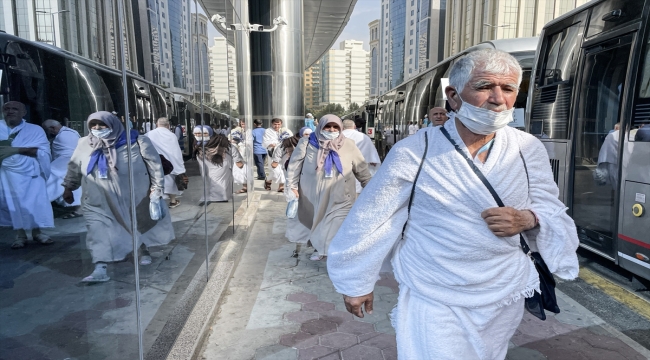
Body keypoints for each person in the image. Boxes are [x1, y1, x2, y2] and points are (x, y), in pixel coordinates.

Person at [327, 49, 580, 359]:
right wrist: (356, 280)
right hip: (434, 291)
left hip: (502, 291)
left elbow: (549, 205)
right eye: (485, 86)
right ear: (454, 95)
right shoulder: (414, 151)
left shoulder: (528, 148)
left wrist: (528, 218)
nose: (498, 98)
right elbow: (374, 219)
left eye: (509, 88)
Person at [62, 111, 175, 282]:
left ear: (113, 124)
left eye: (102, 125)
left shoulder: (138, 141)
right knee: (97, 230)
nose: (97, 128)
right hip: (96, 198)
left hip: (133, 196)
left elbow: (155, 167)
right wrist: (69, 187)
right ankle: (100, 267)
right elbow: (74, 166)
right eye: (93, 125)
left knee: (134, 225)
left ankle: (142, 250)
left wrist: (156, 189)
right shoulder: (84, 143)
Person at [286, 115, 372, 261]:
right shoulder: (307, 143)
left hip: (341, 194)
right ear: (321, 127)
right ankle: (321, 247)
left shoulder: (349, 144)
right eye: (328, 127)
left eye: (335, 127)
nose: (331, 130)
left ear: (340, 128)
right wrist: (292, 186)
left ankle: (327, 252)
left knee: (336, 222)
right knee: (317, 222)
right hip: (312, 194)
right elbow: (294, 167)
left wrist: (371, 187)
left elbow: (362, 169)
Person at [1, 101, 55, 248]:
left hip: (31, 174)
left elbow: (43, 152)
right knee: (13, 204)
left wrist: (16, 150)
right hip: (6, 174)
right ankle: (20, 236)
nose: (10, 111)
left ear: (23, 112)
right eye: (7, 109)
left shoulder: (35, 130)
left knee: (35, 203)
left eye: (14, 109)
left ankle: (38, 233)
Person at [193, 125, 243, 204]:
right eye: (197, 134)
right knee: (209, 181)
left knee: (218, 180)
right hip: (206, 164)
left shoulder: (220, 140)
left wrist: (238, 160)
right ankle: (214, 197)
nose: (199, 135)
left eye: (203, 134)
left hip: (220, 163)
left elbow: (232, 148)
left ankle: (220, 197)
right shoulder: (198, 142)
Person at [42, 119, 82, 217]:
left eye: (47, 130)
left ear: (52, 128)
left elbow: (67, 154)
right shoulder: (69, 133)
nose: (48, 133)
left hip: (66, 164)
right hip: (69, 164)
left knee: (51, 177)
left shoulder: (64, 136)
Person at [145, 117, 186, 208]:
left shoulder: (149, 134)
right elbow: (176, 151)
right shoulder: (172, 135)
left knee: (157, 182)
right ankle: (172, 201)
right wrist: (179, 163)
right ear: (168, 125)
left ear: (156, 124)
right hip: (171, 163)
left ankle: (159, 202)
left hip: (157, 162)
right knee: (171, 182)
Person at [342, 120, 381, 194]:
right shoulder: (363, 137)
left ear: (342, 127)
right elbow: (372, 155)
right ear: (354, 126)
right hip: (360, 169)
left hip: (343, 170)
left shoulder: (339, 136)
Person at [270, 127, 310, 193]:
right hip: (289, 163)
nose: (308, 136)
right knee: (291, 180)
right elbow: (280, 149)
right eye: (306, 134)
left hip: (304, 165)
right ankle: (291, 193)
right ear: (301, 133)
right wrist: (275, 161)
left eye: (310, 134)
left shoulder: (311, 142)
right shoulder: (290, 140)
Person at [263, 118, 293, 190]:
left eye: (278, 124)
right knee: (275, 170)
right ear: (272, 124)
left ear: (281, 124)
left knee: (284, 169)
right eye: (275, 124)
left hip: (284, 152)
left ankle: (281, 186)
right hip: (273, 153)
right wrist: (270, 144)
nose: (277, 126)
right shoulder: (268, 131)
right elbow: (265, 142)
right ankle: (268, 180)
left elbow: (291, 139)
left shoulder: (286, 131)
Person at [230, 119, 249, 193]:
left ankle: (246, 187)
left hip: (246, 153)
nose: (244, 126)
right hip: (239, 153)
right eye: (242, 124)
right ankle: (244, 186)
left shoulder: (250, 132)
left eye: (245, 124)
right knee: (240, 171)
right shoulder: (237, 131)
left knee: (246, 171)